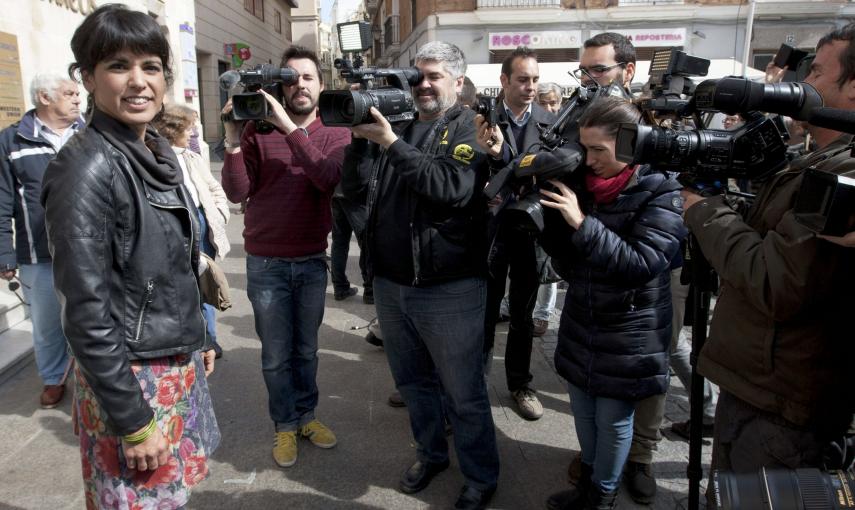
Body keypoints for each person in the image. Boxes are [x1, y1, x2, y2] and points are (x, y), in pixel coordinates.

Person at [40, 5, 219, 507]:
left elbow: (169, 266)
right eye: (119, 65)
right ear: (89, 78)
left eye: (151, 66)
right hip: (132, 381)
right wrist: (135, 423)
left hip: (167, 363)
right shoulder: (86, 167)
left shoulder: (154, 151)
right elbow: (86, 312)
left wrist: (199, 334)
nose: (138, 81)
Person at [680, 24, 855, 501]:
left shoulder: (843, 173)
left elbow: (775, 282)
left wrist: (704, 210)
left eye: (817, 71)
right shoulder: (816, 159)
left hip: (786, 408)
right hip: (756, 385)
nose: (803, 83)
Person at [342, 41, 499, 510]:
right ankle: (431, 455)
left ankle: (480, 476)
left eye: (433, 76)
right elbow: (352, 189)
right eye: (418, 76)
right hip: (392, 286)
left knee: (464, 394)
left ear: (457, 80)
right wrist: (360, 142)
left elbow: (450, 187)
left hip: (449, 288)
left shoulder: (469, 126)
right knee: (413, 387)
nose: (424, 85)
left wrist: (391, 143)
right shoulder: (402, 123)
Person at [542, 96, 686, 510]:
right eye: (584, 148)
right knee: (584, 417)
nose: (588, 160)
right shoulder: (582, 188)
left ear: (630, 145)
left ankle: (602, 497)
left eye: (598, 150)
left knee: (613, 420)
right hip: (582, 322)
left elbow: (642, 263)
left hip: (630, 332)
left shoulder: (662, 190)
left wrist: (581, 223)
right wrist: (549, 221)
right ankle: (588, 483)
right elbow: (568, 259)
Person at [221, 45, 348, 468]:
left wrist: (288, 129)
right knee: (275, 355)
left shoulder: (336, 132)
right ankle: (285, 426)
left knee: (307, 351)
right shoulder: (258, 130)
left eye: (307, 77)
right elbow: (238, 192)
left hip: (312, 260)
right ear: (280, 84)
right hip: (266, 264)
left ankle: (307, 416)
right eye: (290, 77)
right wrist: (232, 140)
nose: (299, 85)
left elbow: (327, 178)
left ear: (320, 84)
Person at [476, 46, 555, 421]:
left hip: (530, 231)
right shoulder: (481, 119)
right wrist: (491, 155)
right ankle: (475, 383)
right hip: (491, 231)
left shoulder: (550, 121)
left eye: (535, 80)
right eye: (523, 79)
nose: (531, 87)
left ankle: (520, 384)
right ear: (504, 80)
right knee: (486, 311)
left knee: (523, 315)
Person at [0, 72, 82, 408]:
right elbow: (2, 201)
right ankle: (53, 378)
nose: (78, 99)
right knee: (47, 326)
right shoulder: (12, 140)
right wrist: (4, 252)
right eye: (69, 93)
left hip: (91, 252)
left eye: (78, 93)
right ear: (44, 98)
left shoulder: (90, 134)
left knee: (94, 322)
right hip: (39, 254)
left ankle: (96, 383)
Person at [152, 104, 231, 358]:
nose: (194, 132)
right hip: (175, 227)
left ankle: (211, 340)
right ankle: (191, 340)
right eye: (189, 127)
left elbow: (215, 189)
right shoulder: (154, 158)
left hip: (201, 222)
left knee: (204, 282)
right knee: (183, 285)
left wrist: (219, 214)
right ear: (173, 130)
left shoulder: (192, 157)